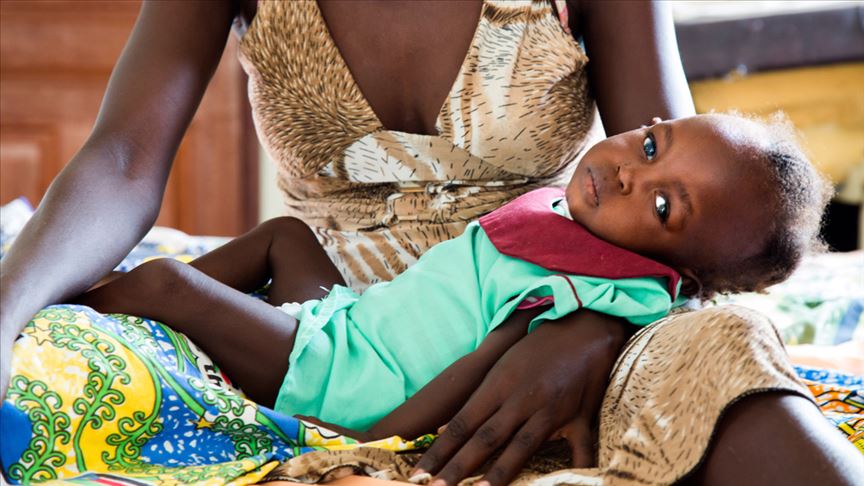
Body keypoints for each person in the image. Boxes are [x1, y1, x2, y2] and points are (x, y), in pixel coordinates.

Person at [0, 1, 861, 485]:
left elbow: (695, 224)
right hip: (336, 312)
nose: (639, 165)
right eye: (643, 151)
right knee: (51, 350)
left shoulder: (623, 215)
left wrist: (589, 328)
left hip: (565, 320)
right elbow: (121, 159)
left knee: (725, 353)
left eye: (653, 168)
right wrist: (4, 313)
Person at [69, 113, 830, 441]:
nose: (630, 172)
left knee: (167, 282)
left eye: (664, 206)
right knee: (285, 237)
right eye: (652, 144)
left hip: (345, 381)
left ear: (684, 271)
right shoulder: (574, 215)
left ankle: (69, 313)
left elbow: (479, 374)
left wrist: (372, 437)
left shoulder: (599, 292)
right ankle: (140, 313)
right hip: (352, 321)